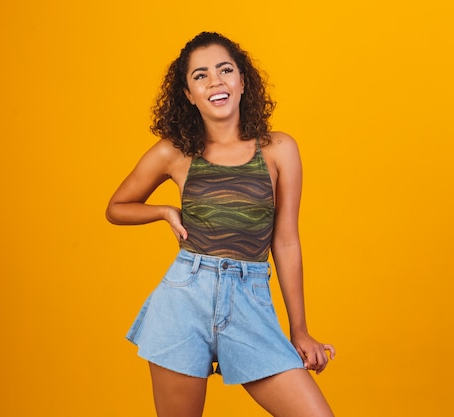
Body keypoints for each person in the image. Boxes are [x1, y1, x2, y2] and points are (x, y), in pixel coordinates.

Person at [106, 31, 335, 417]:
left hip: (251, 302)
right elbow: (117, 207)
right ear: (188, 94)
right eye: (200, 75)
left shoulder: (279, 150)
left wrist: (300, 330)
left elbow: (286, 242)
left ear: (243, 81)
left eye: (224, 70)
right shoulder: (174, 153)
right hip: (184, 300)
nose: (215, 81)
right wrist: (165, 211)